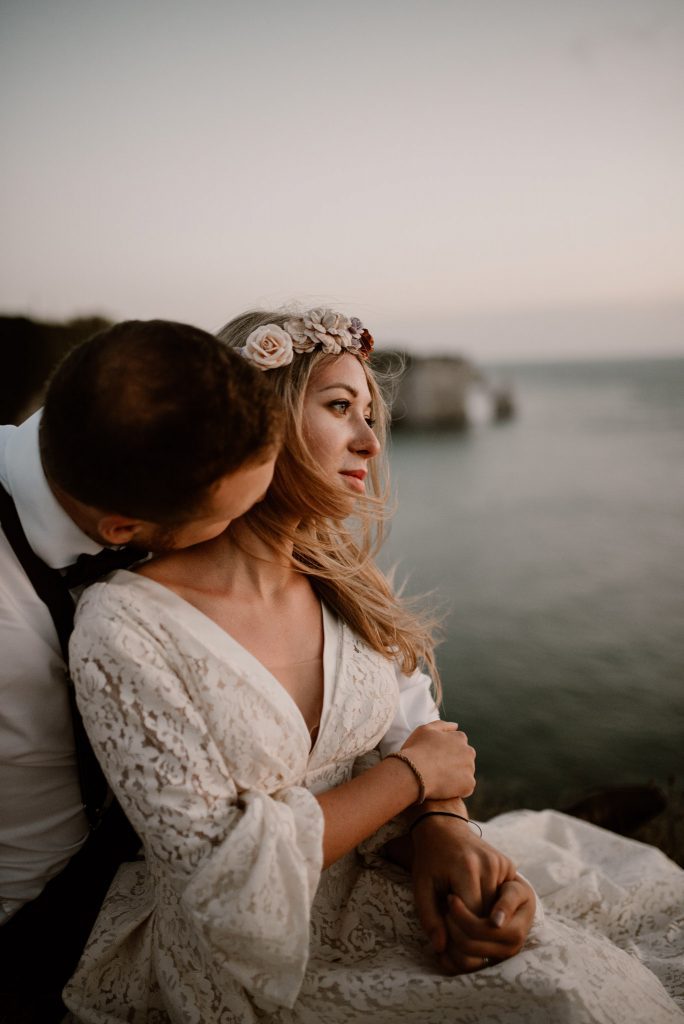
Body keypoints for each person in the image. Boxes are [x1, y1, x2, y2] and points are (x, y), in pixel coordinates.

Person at [63, 309, 684, 1023]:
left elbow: (415, 727)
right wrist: (415, 779)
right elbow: (228, 886)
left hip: (395, 875)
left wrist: (444, 831)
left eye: (370, 412)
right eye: (338, 407)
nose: (370, 440)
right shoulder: (126, 624)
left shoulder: (344, 577)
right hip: (247, 965)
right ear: (256, 424)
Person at [0, 319, 283, 1019]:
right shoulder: (9, 634)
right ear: (122, 531)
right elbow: (35, 864)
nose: (248, 528)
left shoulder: (109, 433)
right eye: (232, 515)